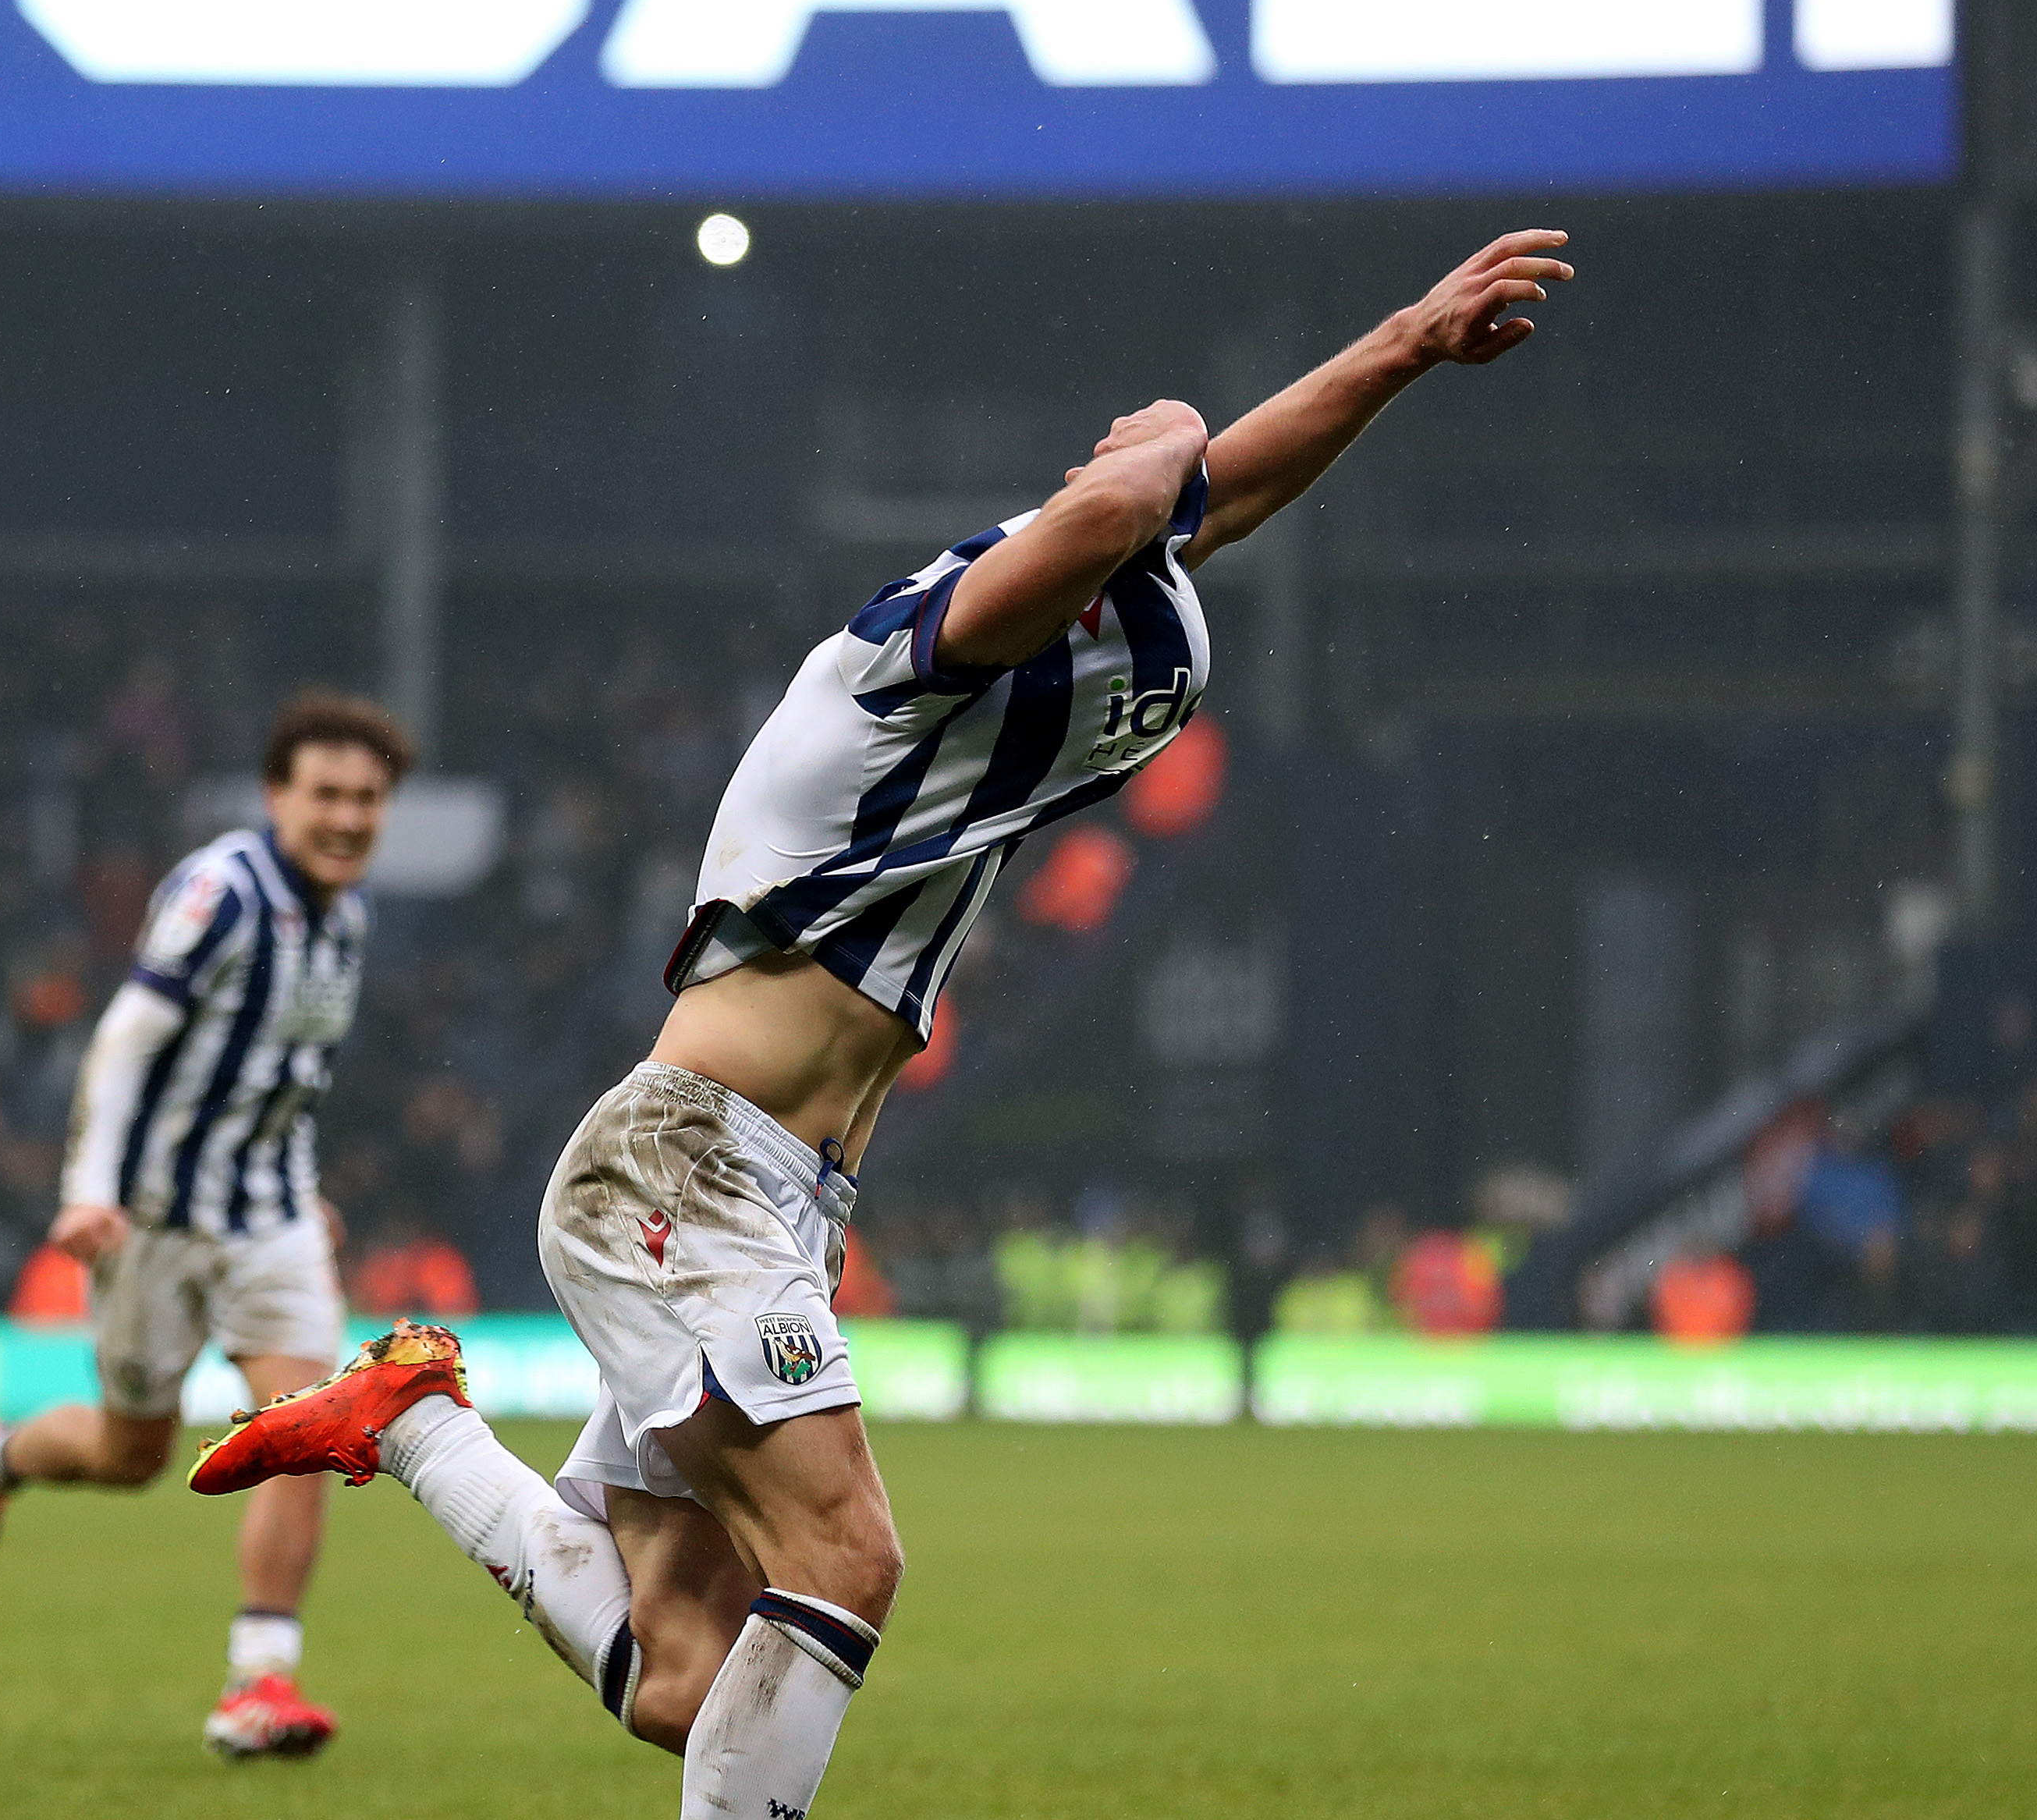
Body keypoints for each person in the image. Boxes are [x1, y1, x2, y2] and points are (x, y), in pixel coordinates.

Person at [188, 230, 1569, 1818]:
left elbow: (1201, 498)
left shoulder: (1060, 636)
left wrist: (1398, 344)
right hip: (682, 1173)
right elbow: (1141, 497)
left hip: (772, 1190)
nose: (1121, 459)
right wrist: (1163, 425)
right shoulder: (900, 664)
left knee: (688, 1677)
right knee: (845, 1558)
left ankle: (418, 1421)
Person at [0, 693, 411, 1761]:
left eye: (367, 800)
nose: (345, 818)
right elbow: (126, 1041)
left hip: (274, 1221)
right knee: (126, 1453)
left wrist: (295, 1180)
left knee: (305, 1432)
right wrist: (90, 1188)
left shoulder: (347, 916)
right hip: (150, 1221)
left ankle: (257, 1685)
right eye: (325, 794)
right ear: (276, 796)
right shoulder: (220, 893)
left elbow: (280, 1071)